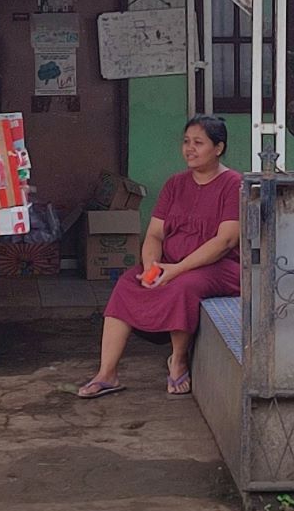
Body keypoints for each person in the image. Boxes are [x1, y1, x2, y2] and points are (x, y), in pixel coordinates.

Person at [77, 115, 241, 398]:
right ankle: (107, 373)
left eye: (198, 143)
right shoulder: (175, 184)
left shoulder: (233, 184)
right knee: (127, 284)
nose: (189, 149)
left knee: (182, 287)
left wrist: (177, 269)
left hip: (218, 266)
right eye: (186, 142)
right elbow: (154, 234)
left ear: (218, 148)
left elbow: (225, 241)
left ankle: (178, 360)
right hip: (170, 263)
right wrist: (151, 265)